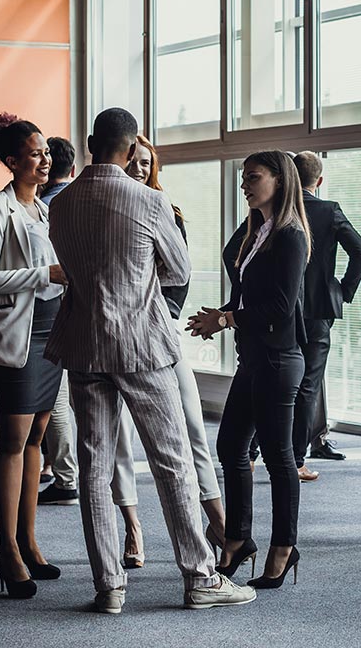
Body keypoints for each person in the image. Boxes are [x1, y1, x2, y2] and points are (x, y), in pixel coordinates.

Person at [47, 107, 254, 613]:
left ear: (93, 141)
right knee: (172, 462)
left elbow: (71, 268)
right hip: (141, 344)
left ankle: (110, 586)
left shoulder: (61, 203)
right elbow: (177, 270)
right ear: (130, 143)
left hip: (83, 343)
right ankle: (199, 577)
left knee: (95, 467)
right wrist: (136, 271)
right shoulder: (149, 201)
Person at [188, 150, 310, 589]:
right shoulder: (259, 231)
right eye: (244, 179)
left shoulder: (291, 236)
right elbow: (246, 295)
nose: (245, 186)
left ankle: (283, 547)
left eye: (253, 178)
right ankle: (238, 539)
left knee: (279, 458)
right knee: (231, 447)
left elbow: (278, 307)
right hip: (254, 356)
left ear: (279, 180)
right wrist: (220, 315)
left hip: (279, 358)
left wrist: (224, 319)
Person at [110, 135, 226, 569]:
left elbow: (180, 277)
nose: (140, 168)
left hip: (160, 329)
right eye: (132, 160)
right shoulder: (109, 209)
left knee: (192, 428)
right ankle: (133, 528)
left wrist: (161, 312)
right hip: (114, 334)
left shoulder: (166, 210)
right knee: (120, 438)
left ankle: (218, 521)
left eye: (146, 162)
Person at [0, 113, 68, 599]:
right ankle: (6, 549)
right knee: (13, 438)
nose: (45, 159)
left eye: (47, 151)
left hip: (52, 333)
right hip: (18, 333)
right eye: (35, 153)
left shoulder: (46, 210)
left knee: (37, 440)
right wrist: (44, 273)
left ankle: (29, 542)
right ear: (13, 161)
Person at [291, 151, 361, 479]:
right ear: (319, 181)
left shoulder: (277, 209)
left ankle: (252, 452)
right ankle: (296, 459)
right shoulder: (329, 211)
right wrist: (342, 289)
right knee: (308, 384)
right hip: (320, 308)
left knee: (268, 378)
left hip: (280, 308)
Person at [38, 136, 80, 506]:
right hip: (79, 310)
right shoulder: (79, 204)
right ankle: (58, 469)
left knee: (57, 398)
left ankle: (65, 475)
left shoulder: (45, 208)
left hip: (53, 312)